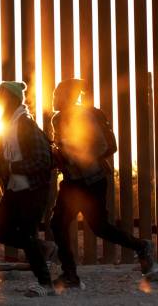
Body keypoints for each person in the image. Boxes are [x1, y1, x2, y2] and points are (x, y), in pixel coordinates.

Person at [50, 78, 157, 289]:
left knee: (99, 227)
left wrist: (74, 154)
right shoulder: (57, 119)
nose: (53, 98)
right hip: (73, 181)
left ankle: (141, 246)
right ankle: (70, 274)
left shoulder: (88, 115)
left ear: (67, 96)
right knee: (59, 224)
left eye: (57, 94)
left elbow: (108, 146)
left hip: (92, 180)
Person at [0, 81, 55, 297]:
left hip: (33, 190)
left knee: (27, 235)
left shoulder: (26, 124)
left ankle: (45, 283)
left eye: (2, 95)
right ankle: (42, 247)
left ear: (13, 99)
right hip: (14, 189)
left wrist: (11, 167)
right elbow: (3, 156)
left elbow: (43, 159)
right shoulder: (6, 124)